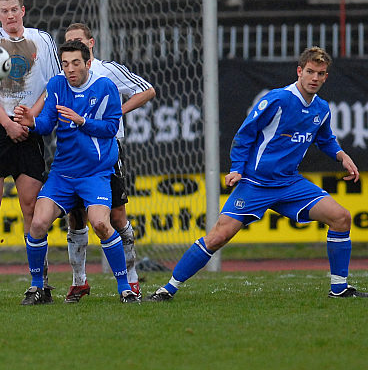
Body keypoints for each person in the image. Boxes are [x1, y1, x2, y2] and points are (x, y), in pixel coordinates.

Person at [148, 47, 365, 301]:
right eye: (310, 72)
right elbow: (245, 134)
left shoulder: (321, 109)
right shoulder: (278, 99)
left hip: (290, 183)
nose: (314, 77)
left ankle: (339, 289)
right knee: (219, 236)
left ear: (326, 77)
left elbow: (325, 139)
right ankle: (168, 288)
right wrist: (237, 169)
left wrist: (342, 156)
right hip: (256, 183)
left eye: (320, 73)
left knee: (341, 218)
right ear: (299, 71)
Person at [14, 40, 138, 304]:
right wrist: (32, 121)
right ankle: (37, 287)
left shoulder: (105, 88)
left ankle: (125, 287)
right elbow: (47, 123)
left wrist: (81, 121)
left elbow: (110, 128)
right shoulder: (57, 85)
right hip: (63, 174)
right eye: (65, 63)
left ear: (88, 63)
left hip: (96, 174)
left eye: (76, 63)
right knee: (37, 223)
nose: (70, 69)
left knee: (102, 224)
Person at [0, 0, 61, 305]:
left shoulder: (42, 40)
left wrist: (29, 119)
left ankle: (40, 284)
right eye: (4, 11)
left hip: (29, 127)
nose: (10, 16)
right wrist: (7, 123)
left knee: (31, 205)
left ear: (23, 10)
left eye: (14, 10)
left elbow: (53, 85)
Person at [62, 22, 156, 302]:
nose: (74, 46)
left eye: (78, 41)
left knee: (115, 216)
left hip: (106, 150)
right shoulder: (63, 74)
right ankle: (79, 281)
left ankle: (132, 278)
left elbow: (147, 90)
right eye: (68, 42)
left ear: (90, 44)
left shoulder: (108, 70)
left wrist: (115, 112)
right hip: (73, 154)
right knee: (75, 216)